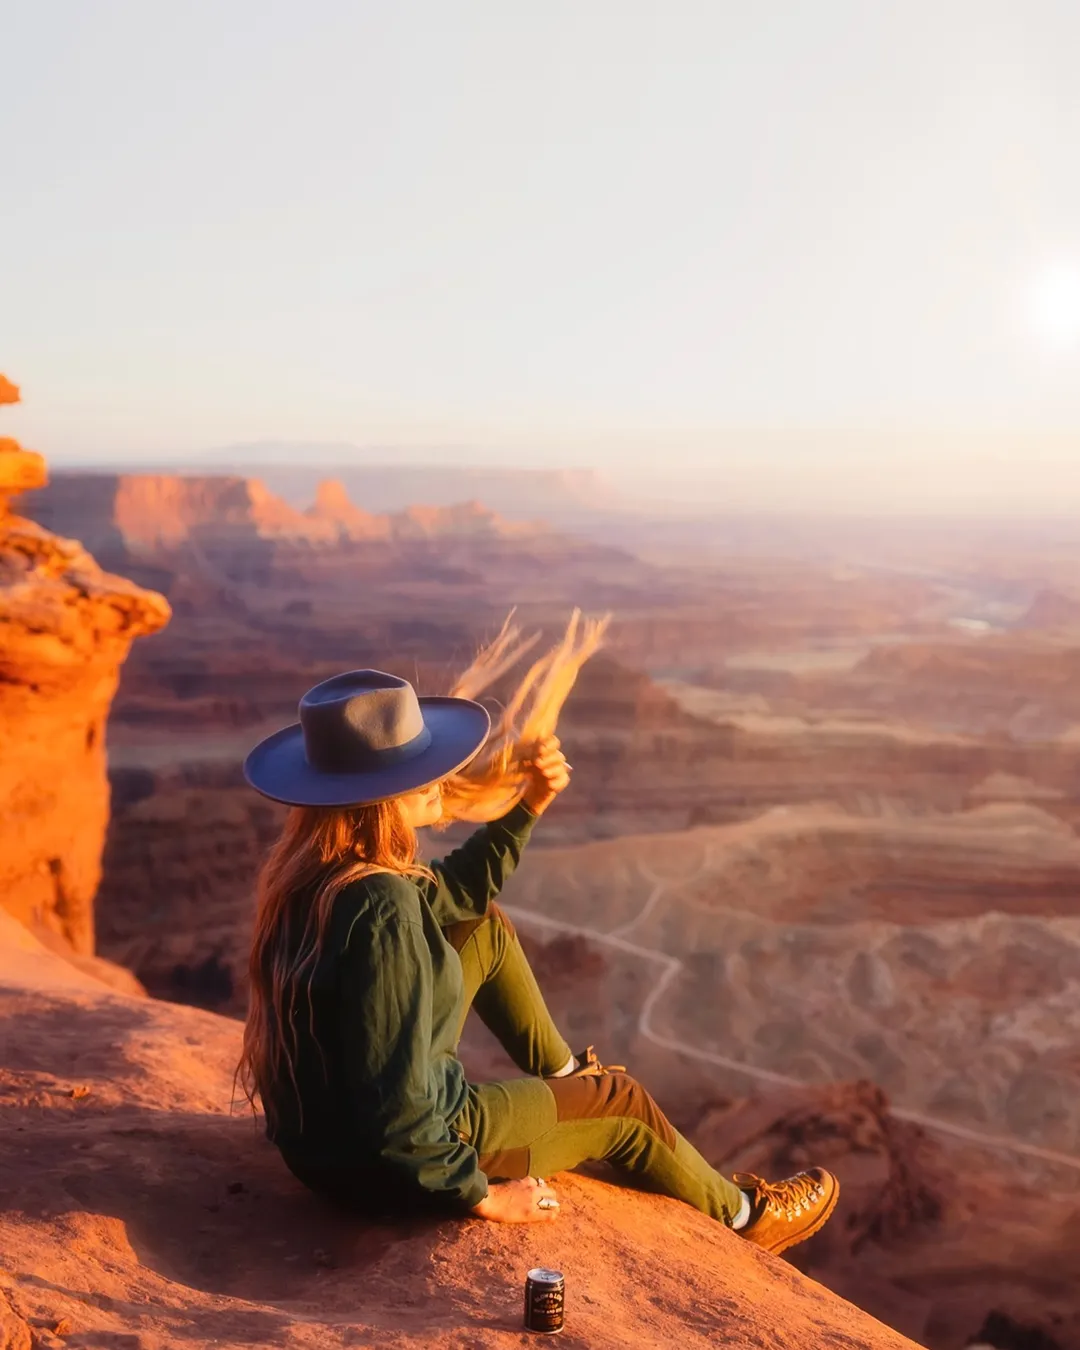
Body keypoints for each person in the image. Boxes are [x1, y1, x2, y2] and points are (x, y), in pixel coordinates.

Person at [238, 668, 839, 1253]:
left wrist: (531, 802)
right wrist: (478, 1196)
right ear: (386, 797)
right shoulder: (382, 905)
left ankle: (564, 1077)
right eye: (424, 772)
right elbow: (399, 1110)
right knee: (622, 1104)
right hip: (389, 1164)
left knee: (480, 929)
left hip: (325, 1150)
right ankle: (745, 1217)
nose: (442, 779)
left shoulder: (314, 876)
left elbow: (460, 898)